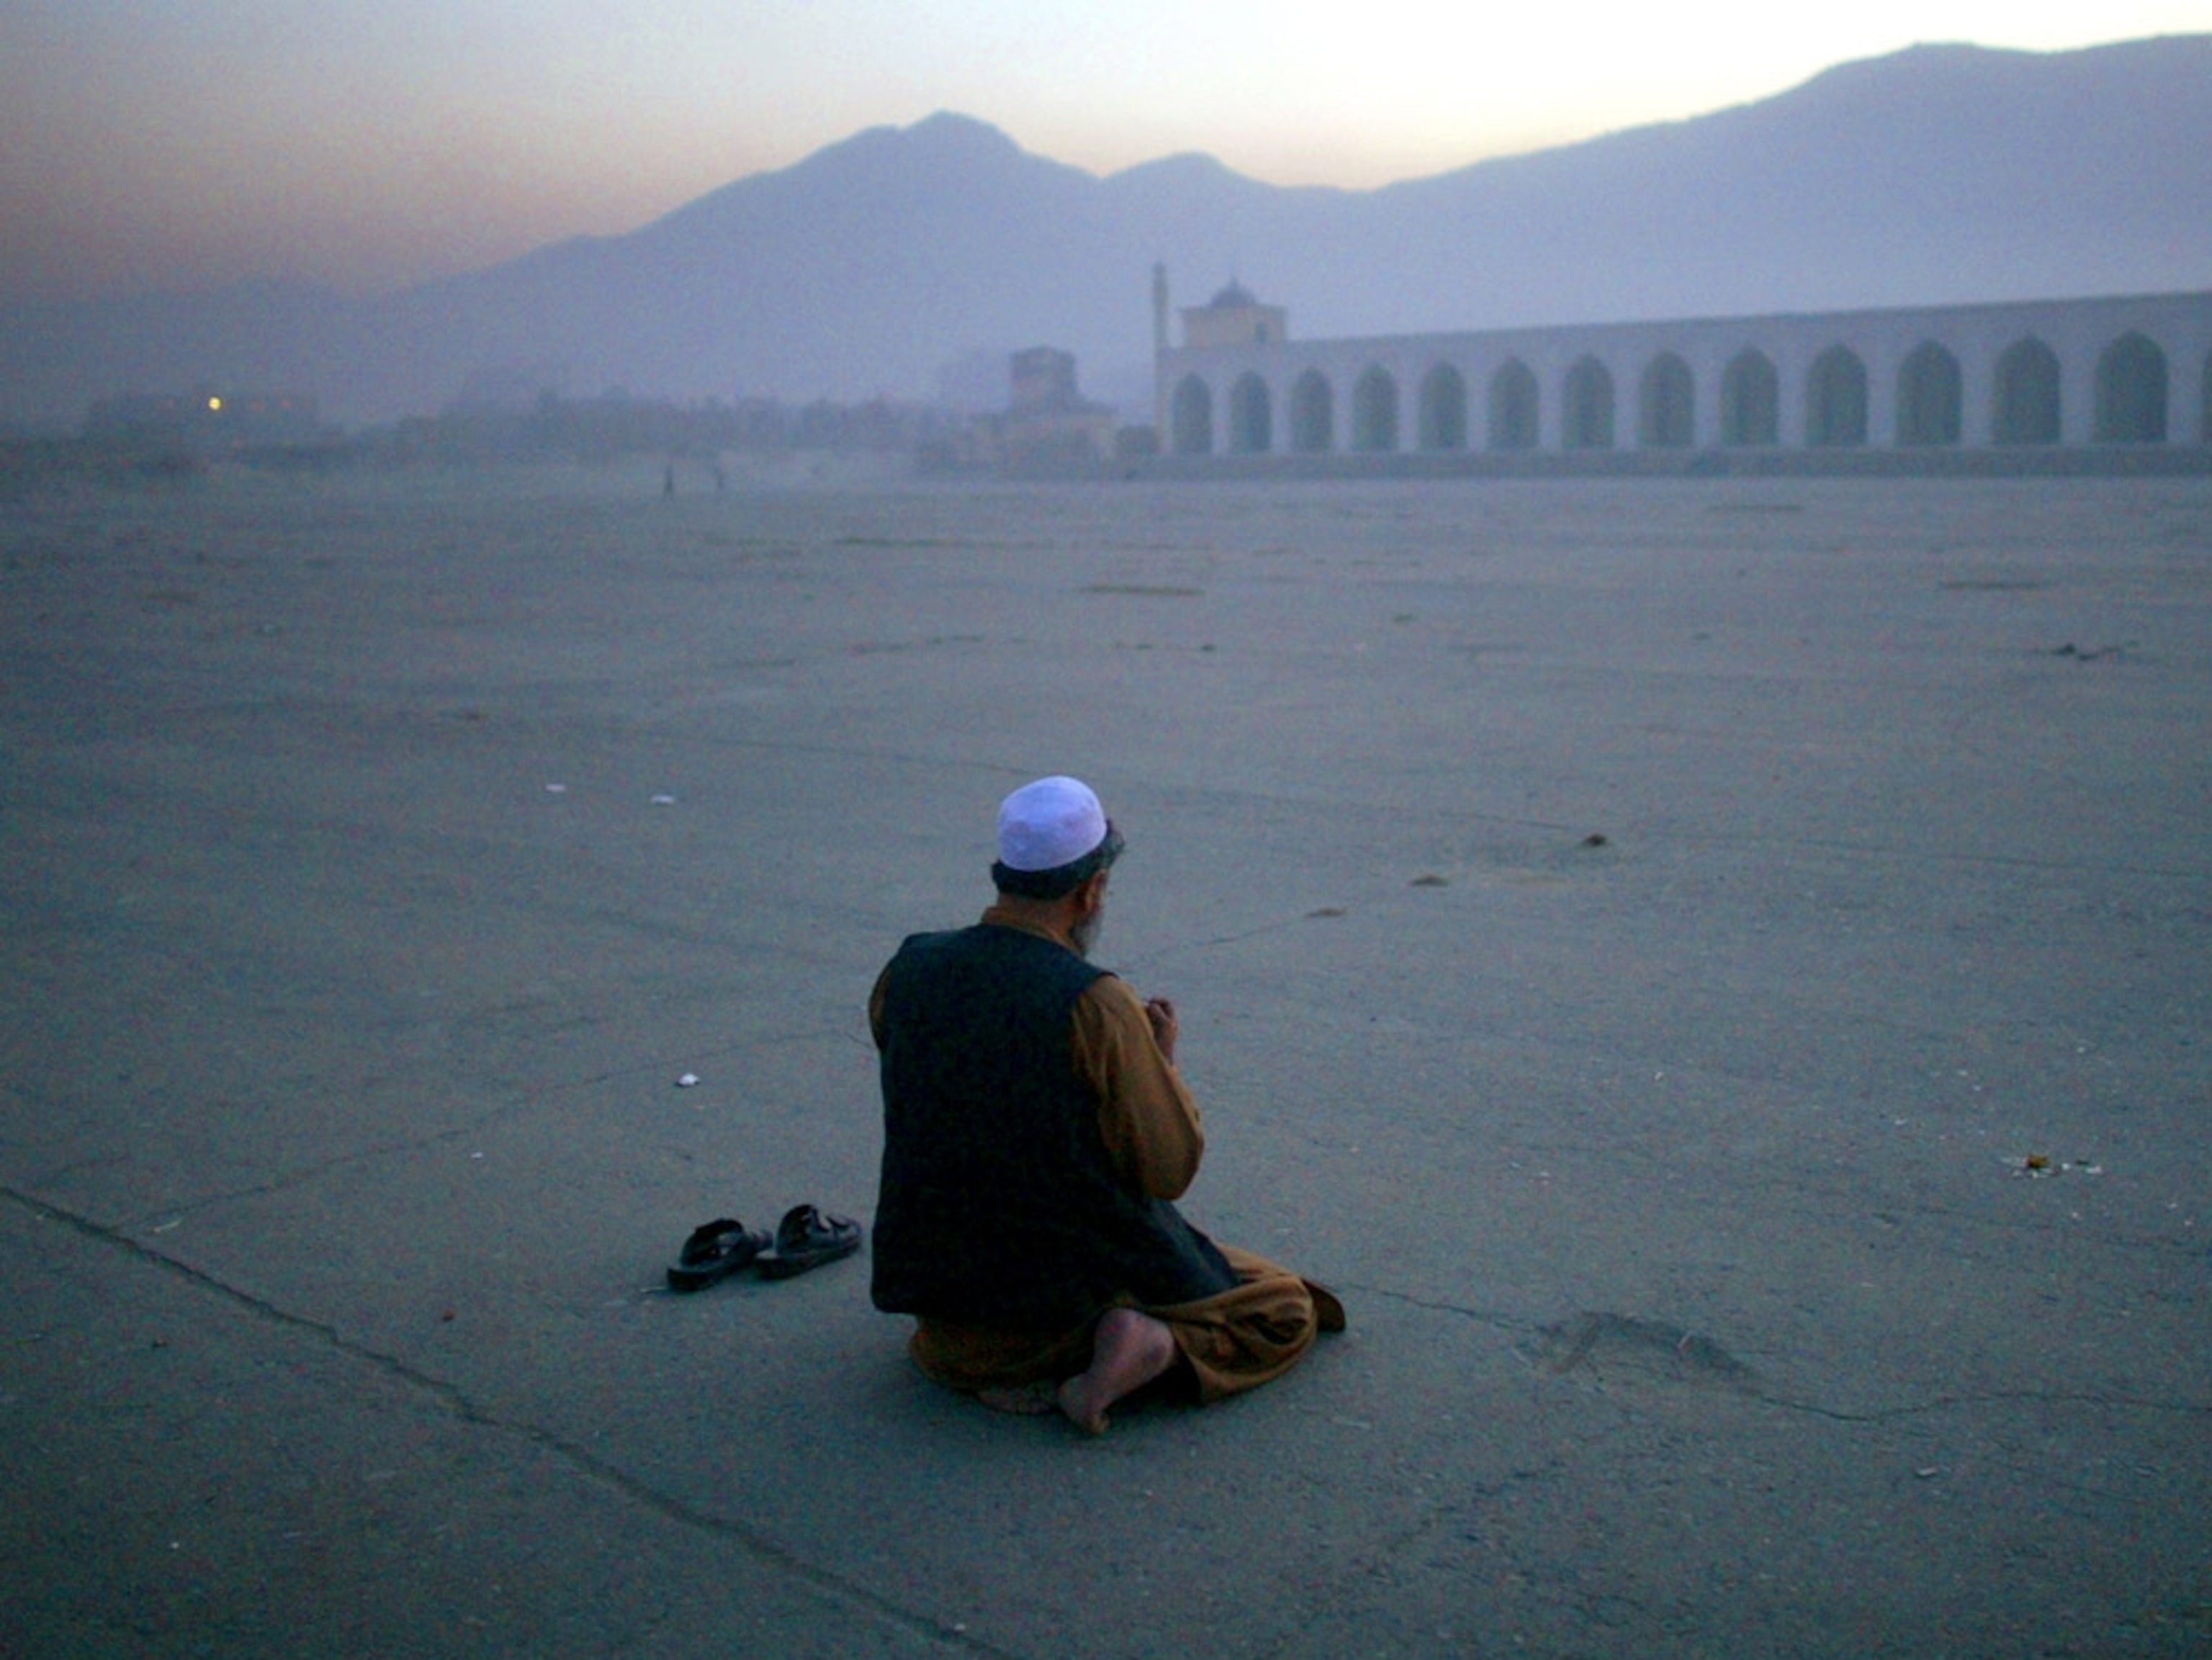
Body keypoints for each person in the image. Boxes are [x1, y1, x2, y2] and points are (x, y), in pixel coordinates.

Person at [868, 775, 1343, 1433]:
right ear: (1090, 891)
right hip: (1054, 1304)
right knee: (1283, 1304)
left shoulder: (909, 968)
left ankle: (1034, 1365)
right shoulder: (1094, 1002)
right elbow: (1167, 1170)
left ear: (1000, 876)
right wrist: (1161, 1063)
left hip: (946, 1330)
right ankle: (1145, 1349)